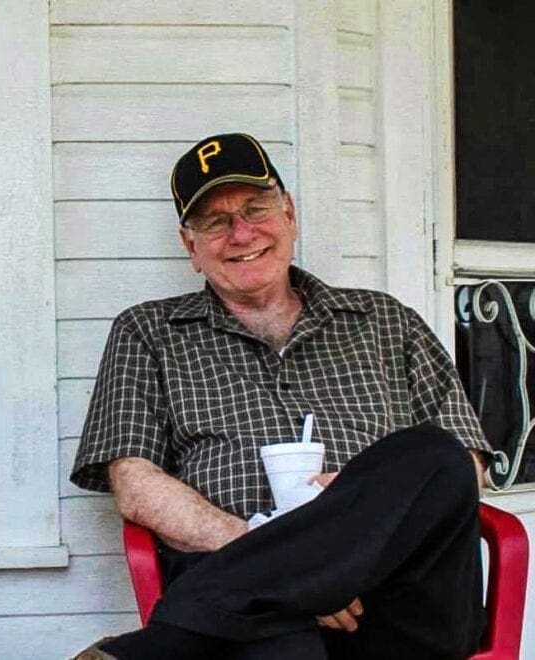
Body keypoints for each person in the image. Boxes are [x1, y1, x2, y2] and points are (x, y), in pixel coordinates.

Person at [71, 133, 492, 659]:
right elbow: (134, 485)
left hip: (397, 600)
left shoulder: (387, 320)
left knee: (436, 453)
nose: (241, 233)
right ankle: (243, 602)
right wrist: (289, 569)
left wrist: (358, 508)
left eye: (255, 208)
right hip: (252, 615)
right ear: (190, 246)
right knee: (275, 643)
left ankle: (159, 646)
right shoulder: (148, 332)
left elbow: (465, 470)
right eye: (215, 221)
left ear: (289, 212)